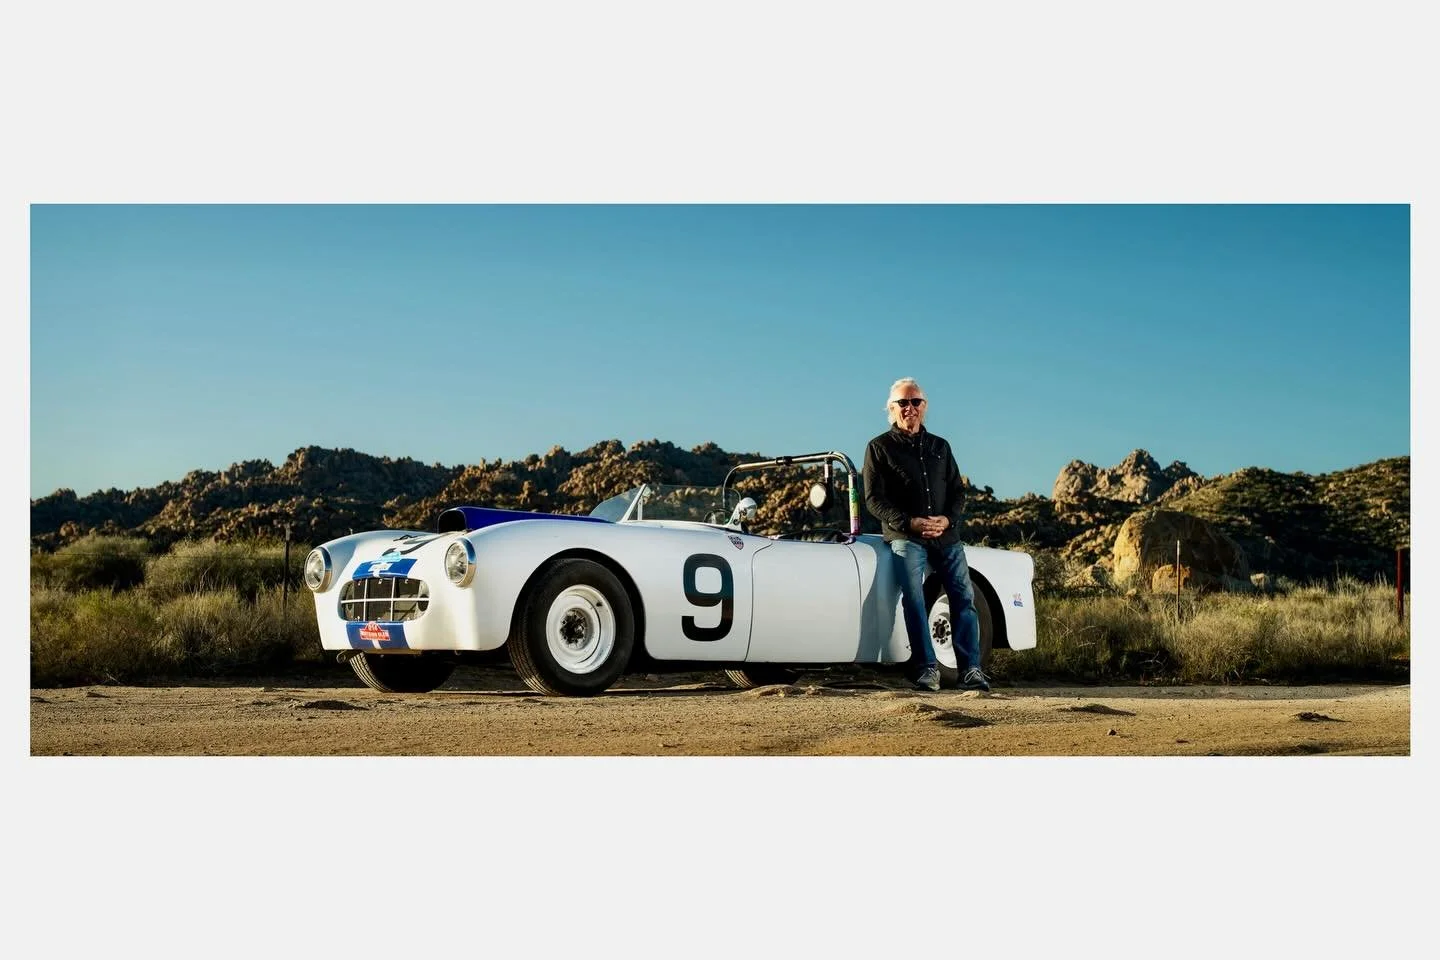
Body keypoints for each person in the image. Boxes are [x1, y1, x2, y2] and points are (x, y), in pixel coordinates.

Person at [862, 377, 990, 693]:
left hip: (946, 536)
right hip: (907, 537)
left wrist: (947, 519)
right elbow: (873, 499)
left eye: (915, 402)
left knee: (963, 596)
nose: (910, 408)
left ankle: (971, 670)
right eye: (903, 403)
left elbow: (958, 492)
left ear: (925, 406)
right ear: (891, 409)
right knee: (914, 599)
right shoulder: (879, 448)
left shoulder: (940, 447)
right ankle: (926, 669)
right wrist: (910, 523)